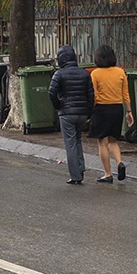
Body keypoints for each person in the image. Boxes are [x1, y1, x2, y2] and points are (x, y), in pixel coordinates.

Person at [48, 45, 95, 184]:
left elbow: (51, 93)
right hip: (82, 113)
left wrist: (58, 105)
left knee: (70, 144)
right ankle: (80, 168)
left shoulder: (59, 74)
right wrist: (89, 112)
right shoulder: (85, 74)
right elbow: (91, 95)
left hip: (66, 113)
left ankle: (75, 176)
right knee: (78, 140)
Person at [88, 45, 129, 182]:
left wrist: (90, 112)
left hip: (101, 109)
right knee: (113, 140)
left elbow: (94, 95)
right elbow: (125, 94)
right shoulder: (120, 72)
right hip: (117, 109)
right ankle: (119, 162)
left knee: (102, 142)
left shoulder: (95, 74)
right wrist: (129, 111)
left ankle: (107, 174)